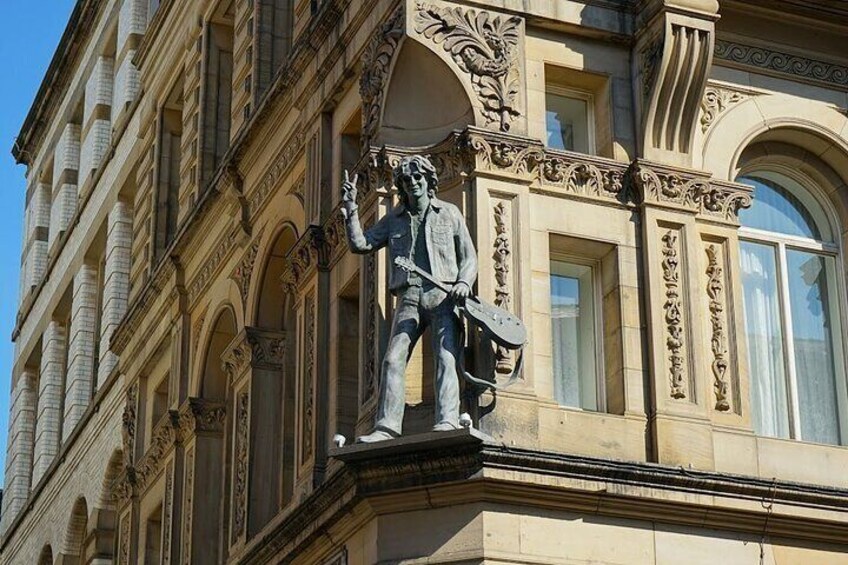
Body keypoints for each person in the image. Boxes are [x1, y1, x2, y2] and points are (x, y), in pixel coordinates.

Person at [342, 155, 478, 442]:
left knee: (446, 356)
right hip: (409, 296)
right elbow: (361, 244)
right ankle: (386, 427)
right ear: (401, 186)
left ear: (429, 181)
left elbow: (469, 257)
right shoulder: (393, 219)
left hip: (443, 296)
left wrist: (464, 282)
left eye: (417, 178)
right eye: (406, 180)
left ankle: (448, 420)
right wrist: (351, 210)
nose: (412, 183)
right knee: (392, 360)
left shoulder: (450, 213)